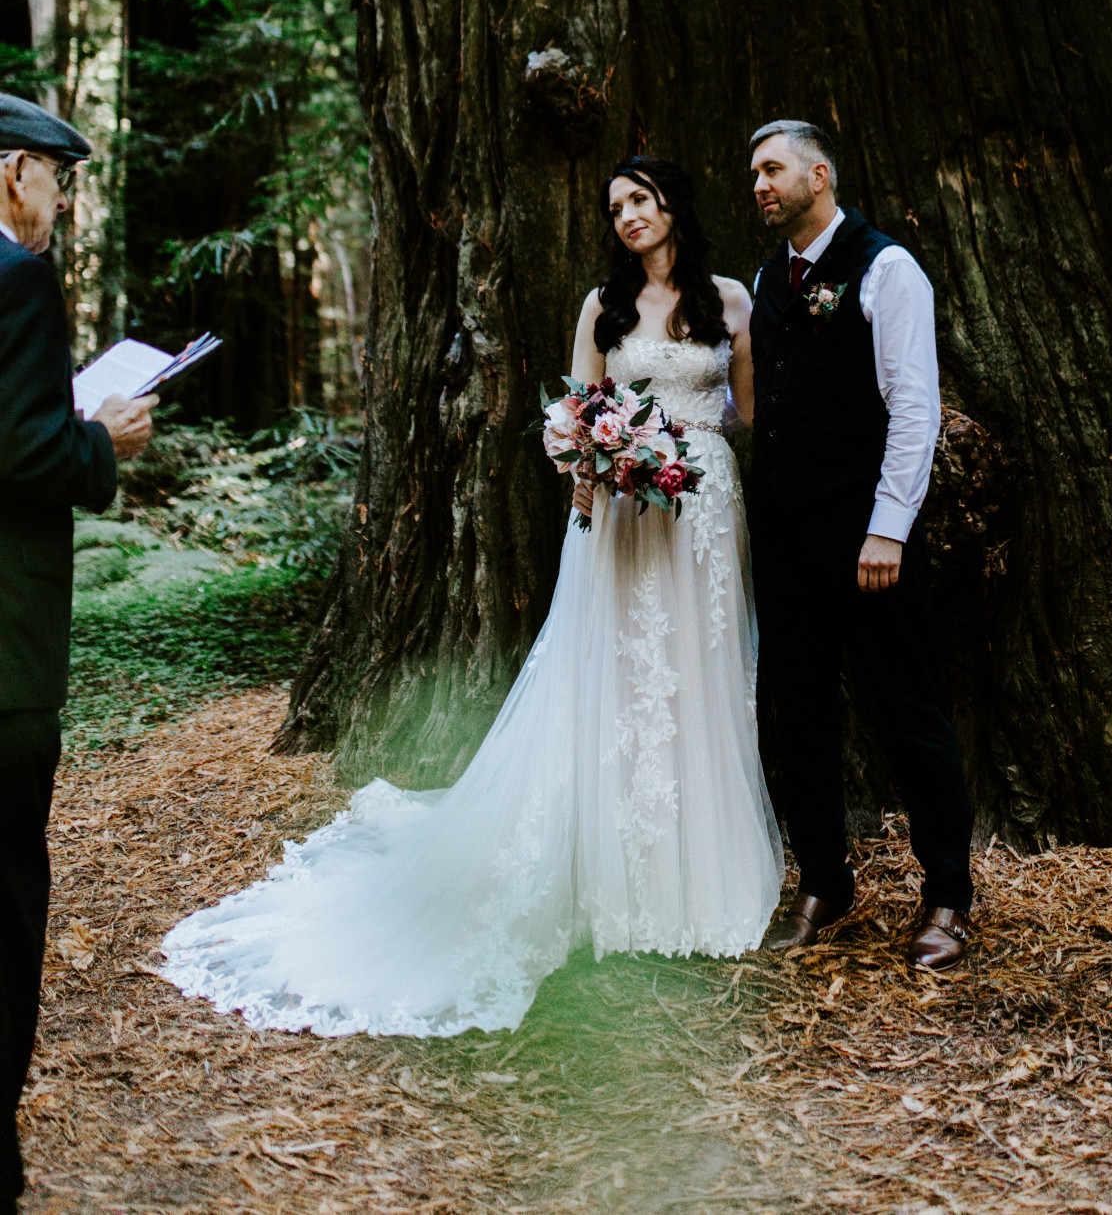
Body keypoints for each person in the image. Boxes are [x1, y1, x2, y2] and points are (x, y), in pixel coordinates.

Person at [161, 155, 782, 1036]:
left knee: (701, 675)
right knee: (623, 679)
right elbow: (570, 418)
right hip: (623, 514)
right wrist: (600, 464)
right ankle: (620, 883)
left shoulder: (730, 299)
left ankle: (703, 879)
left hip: (707, 510)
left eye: (640, 200)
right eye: (615, 207)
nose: (628, 217)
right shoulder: (601, 308)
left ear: (672, 204)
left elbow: (747, 414)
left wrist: (695, 444)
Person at [747, 119, 975, 970]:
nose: (762, 185)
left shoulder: (886, 268)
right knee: (798, 711)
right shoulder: (772, 278)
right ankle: (824, 879)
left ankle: (948, 894)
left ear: (821, 174)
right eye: (755, 175)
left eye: (775, 170)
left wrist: (888, 527)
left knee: (909, 710)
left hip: (868, 537)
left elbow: (914, 407)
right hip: (787, 538)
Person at [0, 95, 156, 1215]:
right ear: (16, 174)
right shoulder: (15, 278)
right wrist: (102, 437)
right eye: (59, 178)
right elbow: (23, 452)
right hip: (3, 652)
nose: (63, 199)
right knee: (7, 890)